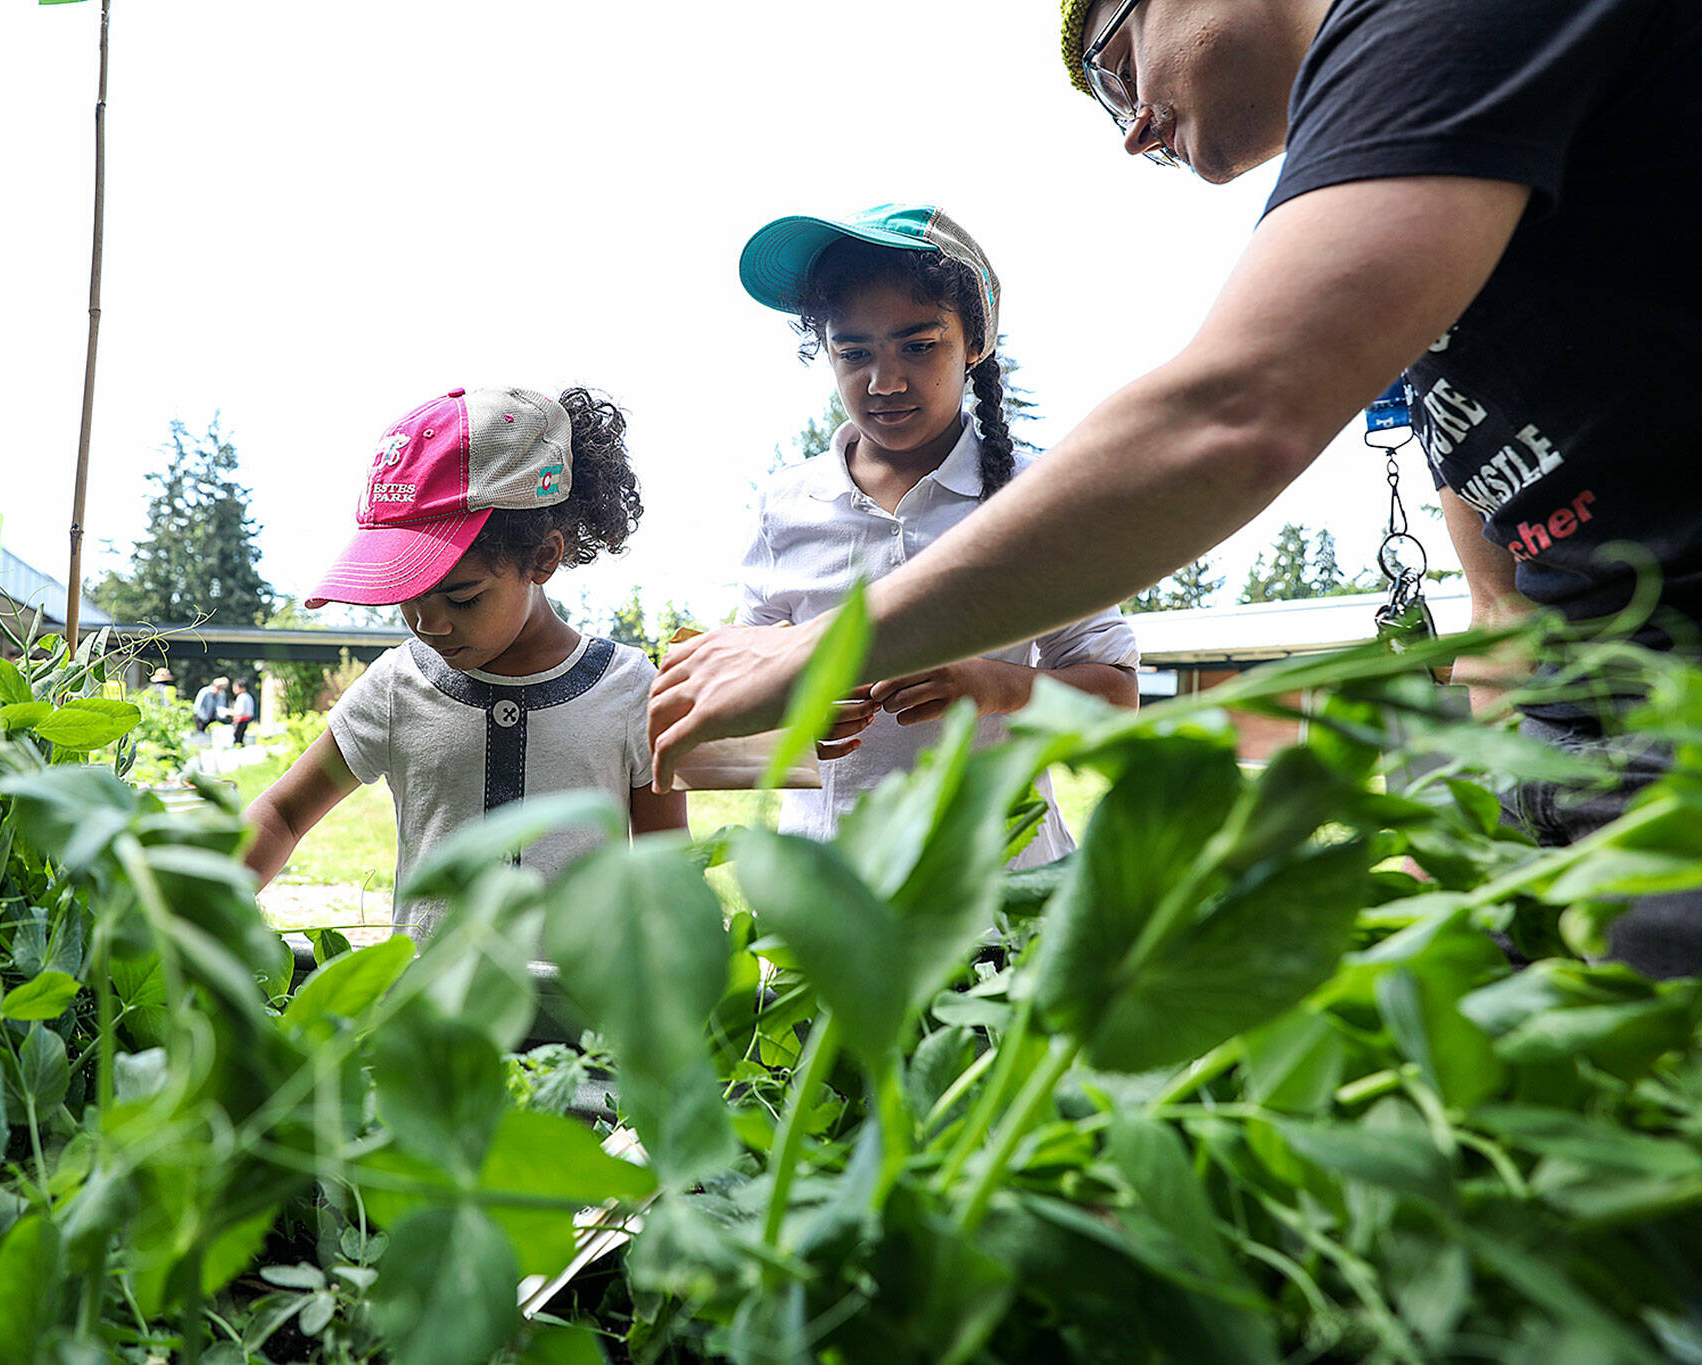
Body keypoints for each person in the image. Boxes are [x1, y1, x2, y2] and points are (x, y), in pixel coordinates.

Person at [649, 0, 1702, 976]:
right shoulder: (1427, 187)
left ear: (973, 342)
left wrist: (829, 649)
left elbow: (1232, 413)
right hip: (1599, 746)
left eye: (1114, 68)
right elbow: (1499, 613)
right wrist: (1481, 847)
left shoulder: (1445, 22)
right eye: (850, 350)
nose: (1132, 131)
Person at [734, 204, 1137, 859]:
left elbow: (1117, 696)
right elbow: (741, 698)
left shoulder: (1039, 498)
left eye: (919, 346)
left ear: (975, 344)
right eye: (853, 352)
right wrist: (796, 717)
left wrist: (995, 687)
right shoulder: (786, 505)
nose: (883, 382)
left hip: (1001, 893)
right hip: (833, 893)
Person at [243, 386, 688, 940]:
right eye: (408, 594)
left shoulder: (628, 691)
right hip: (429, 1017)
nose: (429, 625)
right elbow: (283, 814)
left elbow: (667, 873)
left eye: (462, 596)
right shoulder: (395, 690)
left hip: (588, 1021)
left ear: (544, 556)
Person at [231, 678, 257, 747]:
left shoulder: (242, 697)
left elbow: (240, 711)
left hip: (240, 720)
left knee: (237, 738)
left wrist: (230, 712)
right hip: (247, 719)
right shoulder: (249, 696)